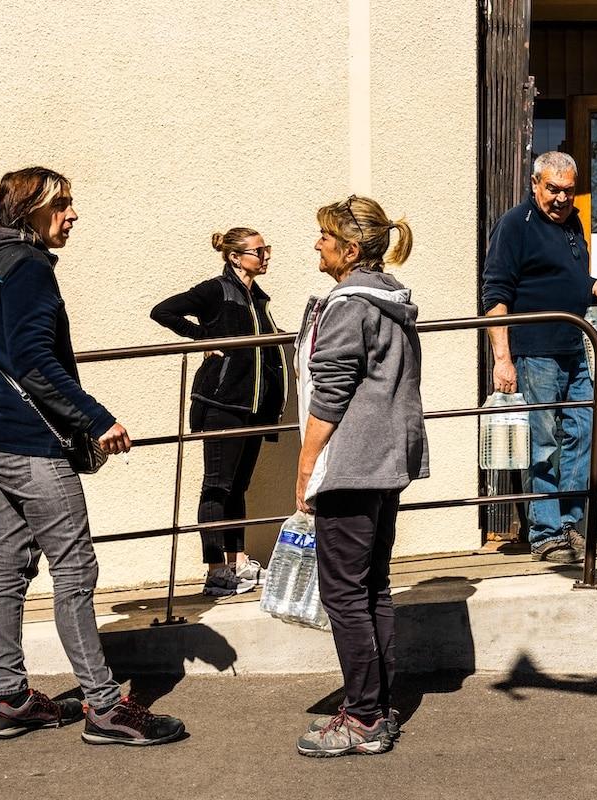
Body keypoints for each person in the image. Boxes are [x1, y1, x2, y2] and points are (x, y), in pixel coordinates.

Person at [0, 167, 185, 745]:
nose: (72, 215)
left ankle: (11, 700)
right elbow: (33, 360)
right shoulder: (28, 266)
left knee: (10, 568)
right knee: (74, 571)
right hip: (30, 447)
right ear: (29, 210)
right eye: (61, 205)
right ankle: (105, 709)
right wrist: (98, 420)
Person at [293, 195, 426, 758]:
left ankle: (364, 717)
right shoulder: (390, 299)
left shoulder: (349, 305)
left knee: (344, 593)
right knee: (372, 586)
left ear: (350, 250)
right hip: (385, 462)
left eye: (325, 237)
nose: (317, 244)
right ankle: (378, 705)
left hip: (350, 465)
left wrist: (305, 465)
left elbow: (331, 391)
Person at [481, 151, 597, 563]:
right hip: (535, 353)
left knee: (584, 433)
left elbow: (565, 278)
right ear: (535, 184)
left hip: (576, 349)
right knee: (541, 444)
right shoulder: (515, 224)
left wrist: (592, 285)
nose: (561, 198)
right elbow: (495, 295)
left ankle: (570, 525)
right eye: (553, 189)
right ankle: (545, 534)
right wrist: (502, 358)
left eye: (568, 191)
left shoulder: (573, 223)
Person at [151, 228, 288, 595]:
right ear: (235, 257)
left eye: (266, 249)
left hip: (253, 407)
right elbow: (162, 311)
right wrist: (204, 339)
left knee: (238, 486)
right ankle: (216, 571)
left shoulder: (257, 298)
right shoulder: (216, 291)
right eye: (258, 251)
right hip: (222, 403)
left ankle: (237, 562)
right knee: (216, 486)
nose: (265, 256)